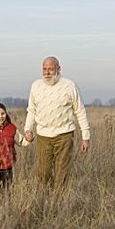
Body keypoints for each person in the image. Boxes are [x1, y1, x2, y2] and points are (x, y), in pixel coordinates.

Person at [24, 56, 90, 190]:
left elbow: (80, 111)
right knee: (44, 172)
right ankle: (45, 200)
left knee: (62, 173)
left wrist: (86, 137)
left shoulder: (69, 85)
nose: (47, 73)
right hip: (43, 135)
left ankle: (59, 202)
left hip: (64, 135)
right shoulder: (36, 86)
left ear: (58, 69)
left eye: (50, 69)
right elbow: (32, 110)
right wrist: (28, 129)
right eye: (44, 69)